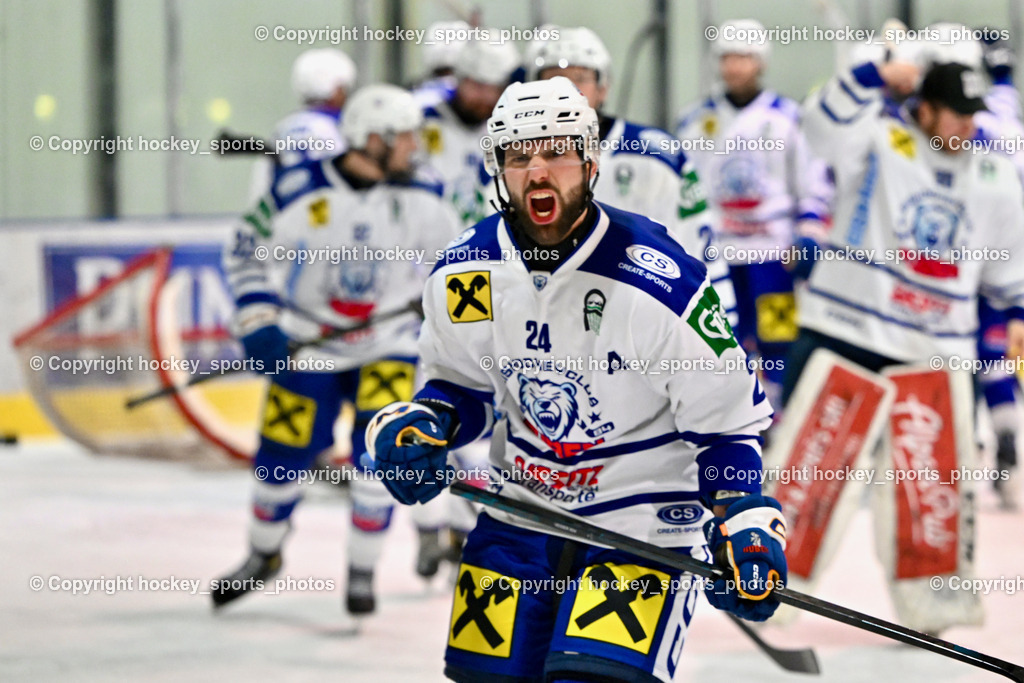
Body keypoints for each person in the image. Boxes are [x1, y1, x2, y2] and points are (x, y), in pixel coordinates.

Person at [362, 77, 787, 682]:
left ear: (590, 161)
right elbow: (460, 385)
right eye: (518, 156)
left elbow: (727, 425)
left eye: (556, 151)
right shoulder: (465, 271)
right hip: (519, 518)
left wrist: (743, 518)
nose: (538, 171)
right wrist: (427, 425)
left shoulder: (656, 283)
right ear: (498, 169)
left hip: (641, 529)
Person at [794, 56, 1024, 631]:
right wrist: (874, 73)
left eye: (974, 114)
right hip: (847, 329)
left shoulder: (993, 173)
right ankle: (767, 580)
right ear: (924, 108)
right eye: (956, 113)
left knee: (932, 485)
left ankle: (934, 605)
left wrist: (1018, 310)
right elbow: (817, 124)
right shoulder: (876, 138)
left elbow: (1010, 262)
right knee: (809, 468)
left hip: (937, 348)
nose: (968, 126)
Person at [213, 84, 462, 612]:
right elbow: (244, 251)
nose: (415, 147)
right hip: (311, 344)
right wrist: (259, 319)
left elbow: (463, 257)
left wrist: (436, 298)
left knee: (382, 454)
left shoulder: (426, 194)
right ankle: (264, 553)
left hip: (388, 345)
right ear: (371, 140)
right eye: (405, 138)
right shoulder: (299, 191)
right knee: (279, 461)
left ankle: (362, 569)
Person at [530, 26, 738, 325]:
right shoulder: (516, 163)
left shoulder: (657, 155)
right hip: (550, 324)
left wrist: (722, 326)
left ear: (603, 88)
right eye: (552, 79)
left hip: (645, 324)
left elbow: (699, 249)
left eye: (580, 79)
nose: (565, 90)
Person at [676, 19, 831, 409]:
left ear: (760, 62)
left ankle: (776, 409)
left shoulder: (788, 117)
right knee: (722, 332)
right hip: (717, 253)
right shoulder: (694, 121)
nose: (735, 67)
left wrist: (809, 231)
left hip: (772, 252)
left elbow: (812, 180)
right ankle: (736, 409)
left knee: (777, 333)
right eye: (728, 58)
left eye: (744, 58)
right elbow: (683, 188)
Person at [421, 35, 520, 226]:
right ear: (459, 79)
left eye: (495, 88)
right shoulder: (424, 124)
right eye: (478, 85)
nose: (486, 96)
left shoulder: (509, 131)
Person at [247, 48, 357, 203]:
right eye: (344, 88)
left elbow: (260, 190)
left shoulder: (280, 131)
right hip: (325, 218)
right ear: (335, 89)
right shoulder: (339, 129)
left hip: (285, 219)